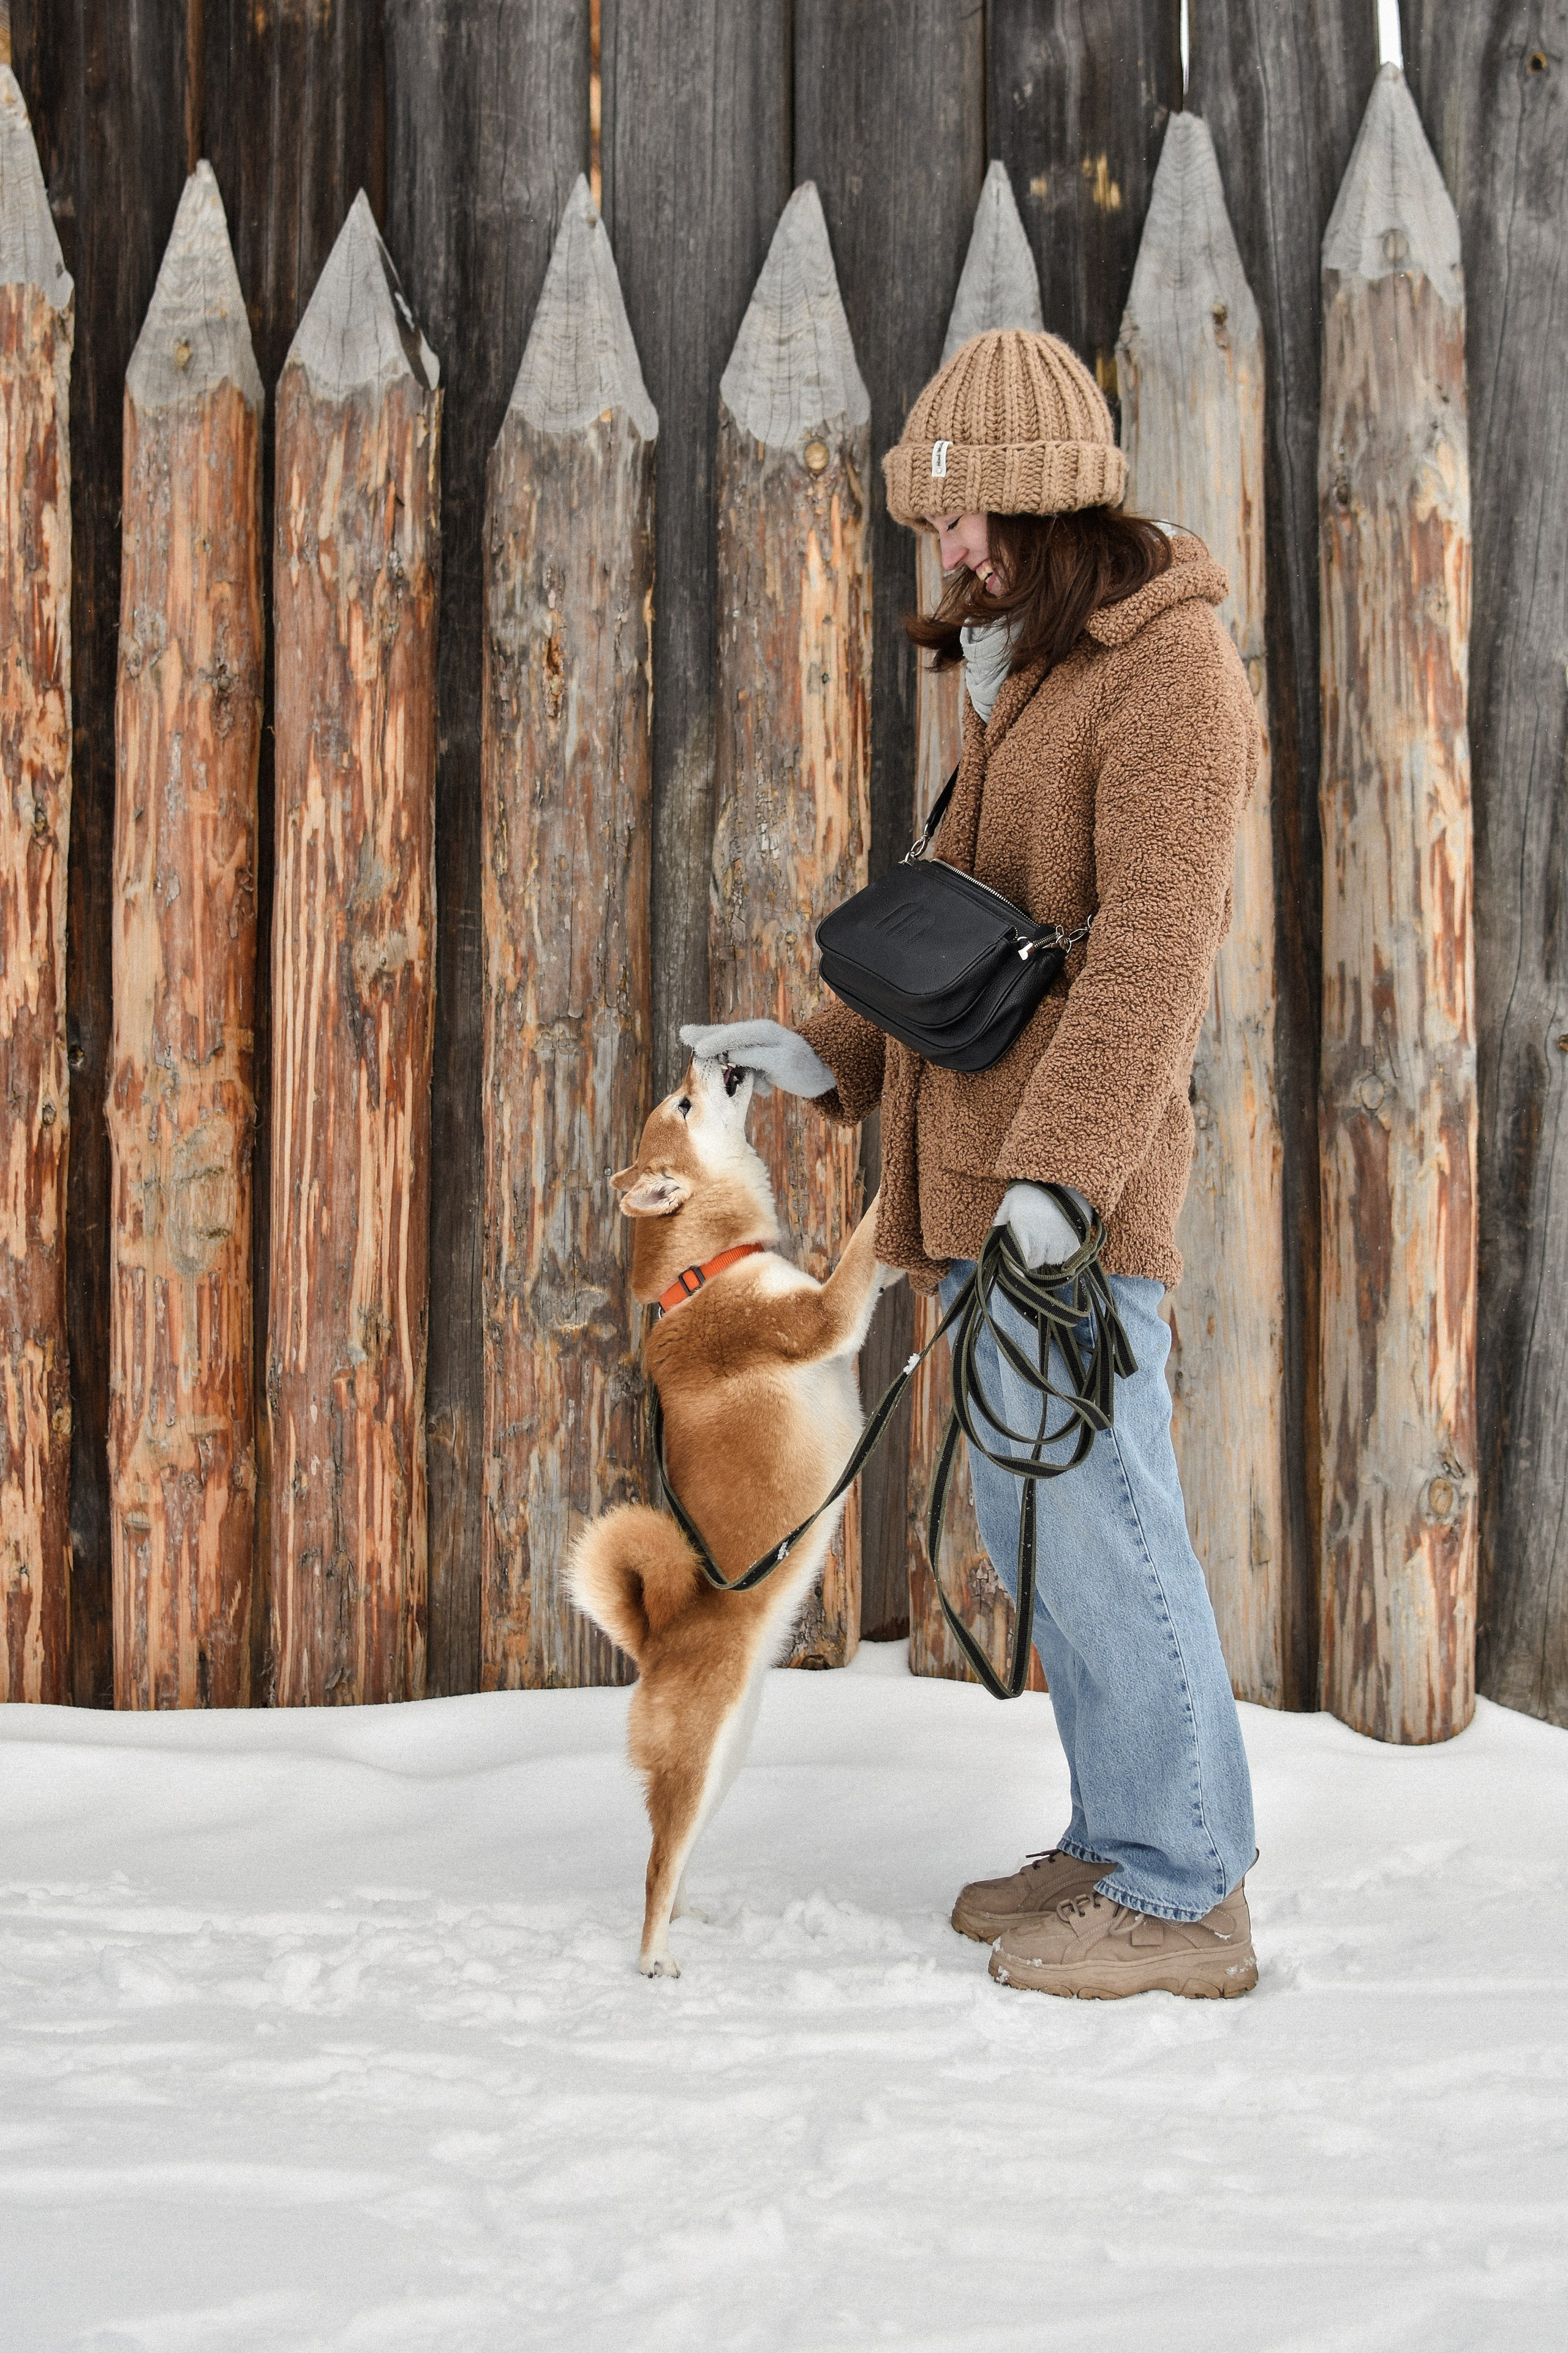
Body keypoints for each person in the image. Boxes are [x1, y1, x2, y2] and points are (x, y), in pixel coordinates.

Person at [684, 328, 1261, 2002]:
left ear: (1047, 501)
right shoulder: (1022, 677)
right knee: (1044, 1528)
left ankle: (1186, 1891)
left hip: (1067, 1214)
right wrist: (832, 1055)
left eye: (967, 522)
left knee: (1110, 1525)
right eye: (934, 525)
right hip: (988, 1204)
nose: (946, 553)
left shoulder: (1170, 674)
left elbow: (1154, 953)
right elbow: (968, 947)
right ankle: (1115, 1835)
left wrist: (1060, 1186)